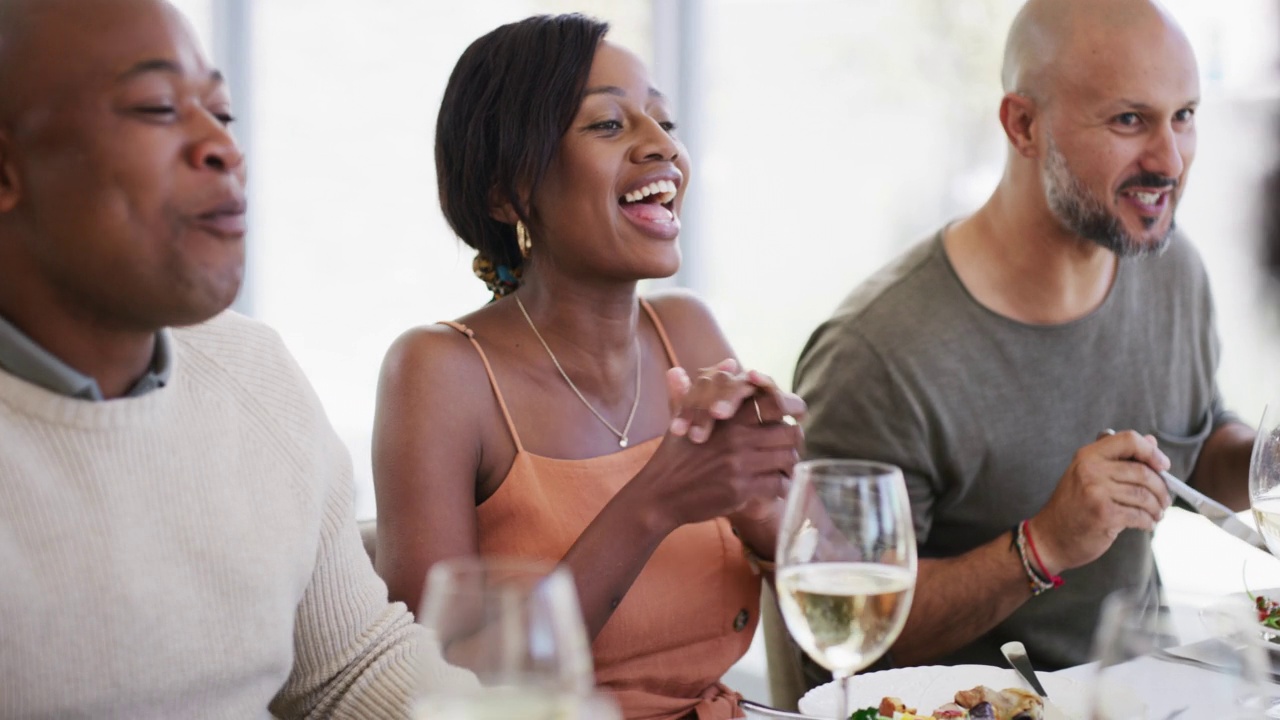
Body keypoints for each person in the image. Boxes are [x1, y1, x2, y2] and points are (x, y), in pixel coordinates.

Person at [0, 0, 472, 716]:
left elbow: (354, 669)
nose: (223, 148)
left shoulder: (252, 369)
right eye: (158, 107)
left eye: (221, 112)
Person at [792, 0, 1256, 674]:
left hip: (1150, 693)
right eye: (1130, 120)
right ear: (1023, 125)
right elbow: (847, 640)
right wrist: (1041, 547)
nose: (1172, 159)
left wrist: (1266, 461)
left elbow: (1198, 444)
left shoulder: (1170, 266)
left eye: (1184, 116)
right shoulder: (878, 354)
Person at [372, 14, 804, 720]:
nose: (662, 146)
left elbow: (819, 587)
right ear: (507, 191)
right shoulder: (439, 371)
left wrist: (763, 509)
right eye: (609, 125)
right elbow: (437, 683)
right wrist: (657, 501)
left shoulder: (686, 330)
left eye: (663, 121)